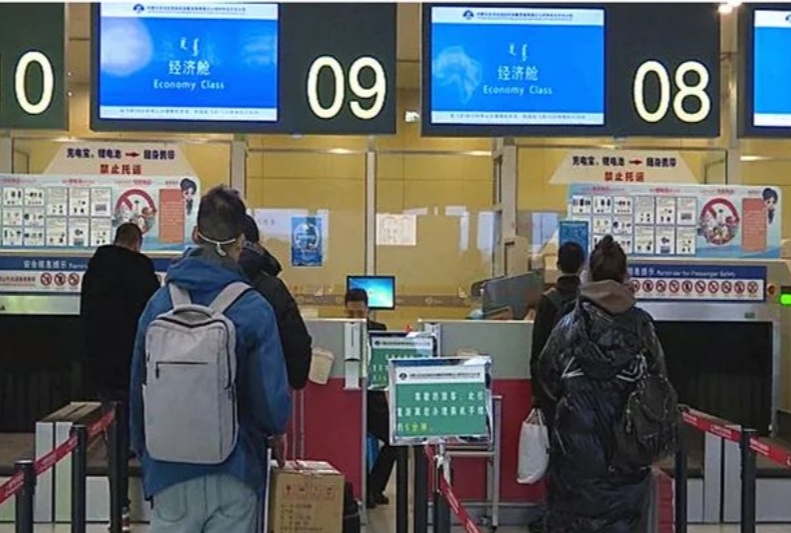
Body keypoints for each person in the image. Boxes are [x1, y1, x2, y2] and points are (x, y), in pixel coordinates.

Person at [130, 186, 291, 533]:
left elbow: (138, 391)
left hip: (170, 471)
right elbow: (271, 405)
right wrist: (275, 432)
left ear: (194, 235)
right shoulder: (253, 308)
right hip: (235, 469)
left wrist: (146, 455)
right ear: (240, 243)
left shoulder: (159, 304)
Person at [537, 236, 669, 532]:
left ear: (589, 276)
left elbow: (547, 373)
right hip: (627, 453)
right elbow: (659, 381)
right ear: (625, 276)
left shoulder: (570, 324)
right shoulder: (642, 326)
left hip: (575, 453)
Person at [80, 222, 160, 531]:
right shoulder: (142, 270)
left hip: (104, 369)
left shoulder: (95, 269)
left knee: (115, 442)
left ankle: (119, 511)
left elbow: (87, 320)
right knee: (147, 437)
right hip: (137, 369)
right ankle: (156, 506)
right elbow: (154, 319)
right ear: (137, 243)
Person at [526, 241, 584, 533]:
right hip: (584, 393)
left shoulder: (548, 301)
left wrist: (538, 393)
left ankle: (553, 514)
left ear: (558, 265)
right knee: (582, 456)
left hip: (553, 392)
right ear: (582, 266)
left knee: (554, 455)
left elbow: (537, 354)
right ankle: (578, 513)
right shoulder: (590, 301)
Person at [239, 214, 312, 390]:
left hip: (200, 395)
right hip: (259, 393)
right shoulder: (272, 289)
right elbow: (298, 347)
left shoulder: (188, 284)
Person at [345, 288, 395, 509]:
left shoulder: (379, 330)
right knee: (353, 443)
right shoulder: (340, 329)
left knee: (394, 441)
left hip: (374, 397)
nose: (356, 318)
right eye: (351, 314)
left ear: (367, 310)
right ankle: (365, 491)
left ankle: (374, 487)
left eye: (360, 313)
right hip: (348, 397)